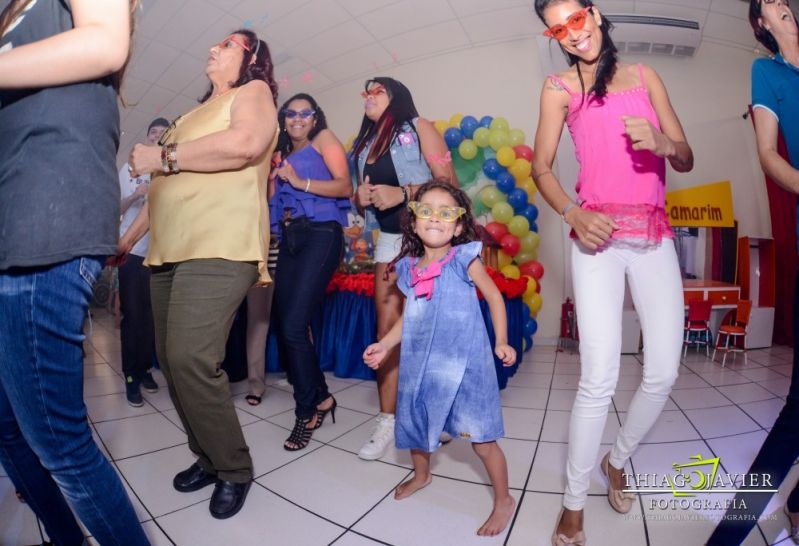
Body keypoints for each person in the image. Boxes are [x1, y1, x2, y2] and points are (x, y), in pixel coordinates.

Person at [531, 1, 694, 544]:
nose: (571, 34)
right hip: (595, 236)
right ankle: (573, 503)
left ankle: (617, 461)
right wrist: (573, 213)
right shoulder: (559, 87)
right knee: (598, 377)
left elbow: (686, 154)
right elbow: (541, 166)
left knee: (664, 371)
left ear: (595, 13)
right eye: (558, 28)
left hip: (651, 235)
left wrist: (665, 144)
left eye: (576, 19)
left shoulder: (646, 75)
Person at [0, 1, 150, 544]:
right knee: (8, 431)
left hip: (44, 211)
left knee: (57, 438)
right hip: (11, 214)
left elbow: (106, 41)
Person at [121, 28, 279, 519]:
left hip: (219, 244)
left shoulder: (253, 94)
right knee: (171, 363)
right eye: (213, 43)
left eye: (228, 44)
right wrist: (124, 243)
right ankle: (207, 458)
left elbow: (245, 144)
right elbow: (161, 191)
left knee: (191, 357)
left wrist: (160, 156)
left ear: (251, 59)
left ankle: (234, 468)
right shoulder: (190, 115)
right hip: (169, 250)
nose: (213, 47)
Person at [363, 180, 516, 537]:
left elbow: (494, 297)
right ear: (414, 221)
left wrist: (502, 341)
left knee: (482, 439)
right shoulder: (408, 268)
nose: (436, 219)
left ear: (459, 225)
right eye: (426, 211)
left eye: (446, 213)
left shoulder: (465, 258)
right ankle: (422, 474)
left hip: (467, 366)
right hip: (421, 366)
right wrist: (385, 345)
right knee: (418, 426)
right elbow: (409, 317)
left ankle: (504, 498)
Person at [707, 1, 799, 544]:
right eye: (771, 2)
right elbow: (768, 154)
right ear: (761, 23)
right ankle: (730, 534)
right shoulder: (766, 71)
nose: (784, 4)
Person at [352, 77, 457, 460]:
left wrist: (406, 192)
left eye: (377, 90)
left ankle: (436, 414)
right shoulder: (363, 146)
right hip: (391, 240)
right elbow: (360, 196)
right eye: (365, 92)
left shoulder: (419, 127)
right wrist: (359, 196)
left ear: (396, 96)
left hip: (431, 242)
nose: (368, 96)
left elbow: (449, 184)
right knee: (386, 331)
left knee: (431, 330)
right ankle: (388, 420)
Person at [268, 93, 351, 450]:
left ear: (315, 118)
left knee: (292, 324)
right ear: (283, 119)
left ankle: (306, 411)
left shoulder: (324, 139)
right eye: (291, 113)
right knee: (287, 322)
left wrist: (297, 181)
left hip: (321, 235)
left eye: (305, 113)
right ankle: (322, 397)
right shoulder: (281, 155)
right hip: (291, 237)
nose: (297, 118)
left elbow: (344, 186)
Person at [118, 116, 168, 407]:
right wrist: (137, 194)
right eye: (153, 131)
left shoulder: (169, 169)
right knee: (133, 317)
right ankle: (130, 376)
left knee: (151, 319)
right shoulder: (130, 167)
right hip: (133, 251)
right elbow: (118, 208)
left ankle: (145, 368)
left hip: (160, 253)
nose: (156, 135)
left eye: (162, 132)